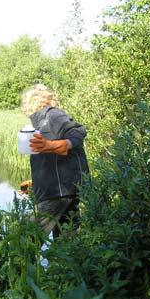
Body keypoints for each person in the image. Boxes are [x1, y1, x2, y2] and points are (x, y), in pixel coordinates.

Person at [20, 84, 89, 239]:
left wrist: (50, 145)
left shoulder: (52, 115)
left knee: (25, 242)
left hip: (57, 193)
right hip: (67, 189)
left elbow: (78, 133)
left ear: (30, 103)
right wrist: (35, 184)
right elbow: (50, 160)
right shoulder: (41, 122)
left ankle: (11, 264)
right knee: (67, 247)